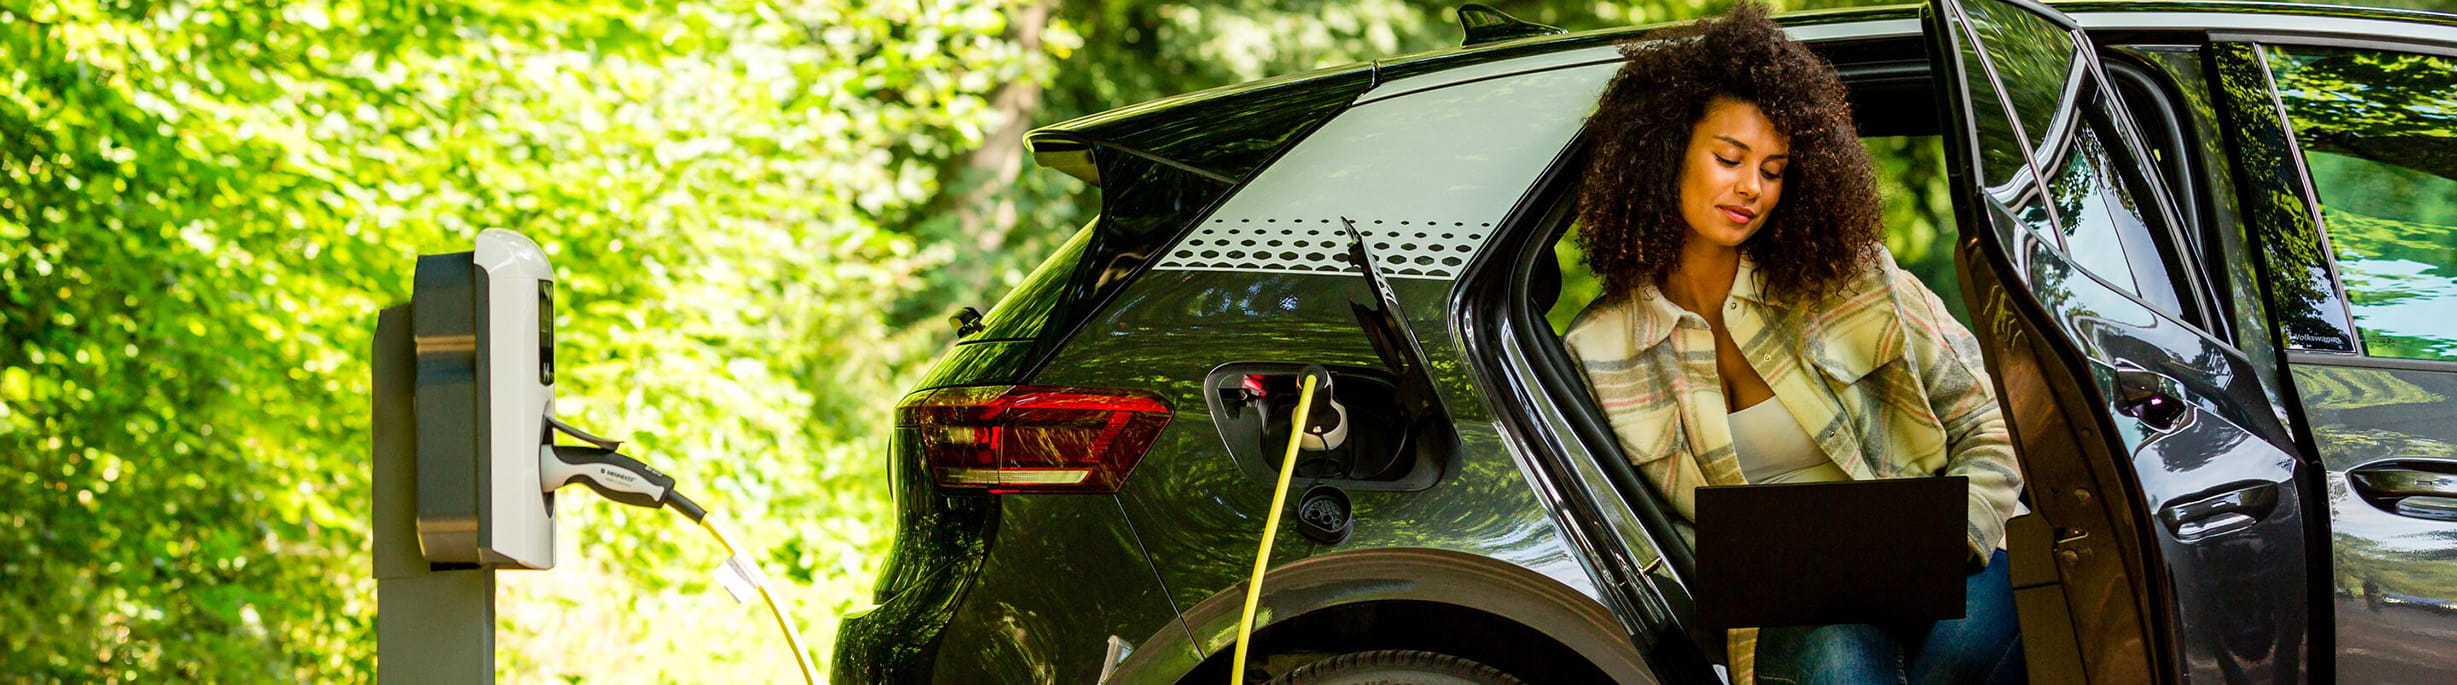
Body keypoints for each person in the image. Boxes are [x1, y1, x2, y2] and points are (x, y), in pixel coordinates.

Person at [1557, 4, 2026, 684]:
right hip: (1781, 609)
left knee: (1961, 647)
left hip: (1950, 562)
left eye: (1773, 169)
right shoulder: (1598, 349)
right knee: (1833, 659)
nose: (1752, 186)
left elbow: (1988, 425)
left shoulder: (1854, 279)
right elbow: (1637, 543)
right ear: (1663, 152)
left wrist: (1960, 534)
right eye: (1728, 158)